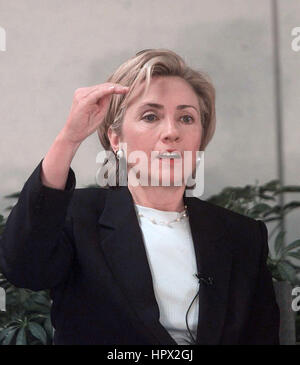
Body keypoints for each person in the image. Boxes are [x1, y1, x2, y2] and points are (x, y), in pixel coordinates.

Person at [0, 49, 280, 345]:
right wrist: (69, 139)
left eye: (186, 118)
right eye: (150, 116)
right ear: (116, 139)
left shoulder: (242, 235)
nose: (171, 132)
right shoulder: (78, 217)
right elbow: (23, 267)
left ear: (200, 136)